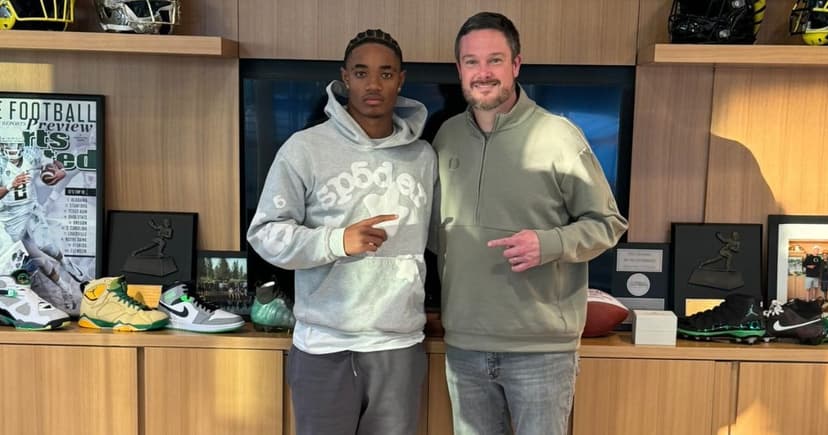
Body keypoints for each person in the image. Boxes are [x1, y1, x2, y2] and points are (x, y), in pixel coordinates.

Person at [430, 12, 628, 435]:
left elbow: (608, 223)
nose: (483, 73)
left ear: (516, 65)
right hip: (464, 346)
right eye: (471, 61)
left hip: (541, 351)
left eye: (495, 60)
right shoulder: (446, 137)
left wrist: (549, 244)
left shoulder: (559, 136)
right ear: (459, 69)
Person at [247, 29, 436, 435]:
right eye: (362, 72)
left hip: (398, 346)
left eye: (386, 73)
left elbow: (439, 239)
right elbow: (264, 233)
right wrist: (337, 241)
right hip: (324, 346)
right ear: (345, 78)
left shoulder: (423, 156)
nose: (373, 84)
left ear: (400, 80)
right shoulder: (304, 148)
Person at [0, 129, 86, 313]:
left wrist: (60, 172)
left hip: (31, 210)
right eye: (7, 144)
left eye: (14, 144)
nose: (11, 148)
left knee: (46, 247)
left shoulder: (32, 153)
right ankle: (64, 288)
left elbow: (55, 165)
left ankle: (65, 263)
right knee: (34, 259)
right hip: (8, 219)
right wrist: (10, 185)